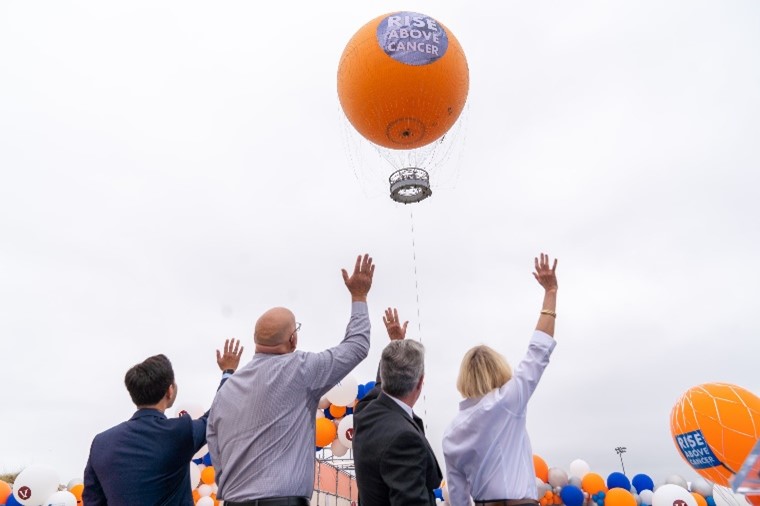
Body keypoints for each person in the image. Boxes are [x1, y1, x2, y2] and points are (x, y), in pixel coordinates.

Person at [207, 254, 375, 506]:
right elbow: (357, 346)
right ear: (292, 340)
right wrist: (359, 297)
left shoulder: (227, 389)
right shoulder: (300, 370)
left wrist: (231, 485)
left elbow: (214, 441)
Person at [442, 253, 559, 506]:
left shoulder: (451, 433)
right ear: (499, 370)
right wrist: (550, 291)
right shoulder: (507, 400)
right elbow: (538, 351)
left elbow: (459, 497)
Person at [83, 338, 243, 506]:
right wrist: (228, 371)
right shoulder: (179, 432)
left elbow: (92, 501)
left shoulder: (101, 442)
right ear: (170, 390)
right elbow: (216, 415)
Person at [353, 307, 443, 506]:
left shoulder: (364, 412)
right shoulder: (405, 439)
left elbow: (379, 387)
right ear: (420, 383)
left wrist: (395, 344)